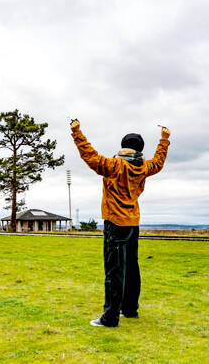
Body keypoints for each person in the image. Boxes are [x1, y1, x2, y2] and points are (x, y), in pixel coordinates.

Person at [70, 119, 171, 328]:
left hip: (115, 223)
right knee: (131, 268)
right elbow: (159, 162)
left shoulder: (115, 165)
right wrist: (164, 139)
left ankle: (110, 317)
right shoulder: (144, 167)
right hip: (133, 223)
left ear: (123, 147)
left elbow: (90, 156)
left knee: (114, 271)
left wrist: (77, 132)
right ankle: (130, 309)